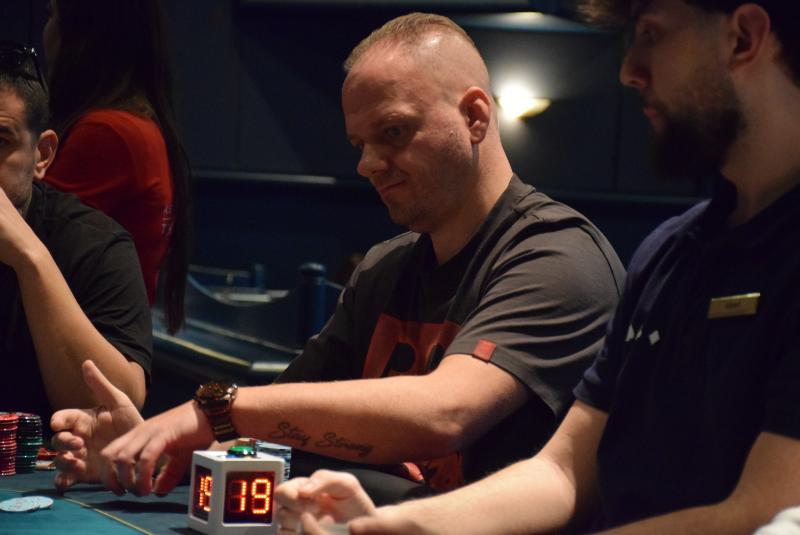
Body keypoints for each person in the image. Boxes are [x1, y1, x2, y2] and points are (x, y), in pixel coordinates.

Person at [274, 0, 800, 533]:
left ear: (743, 37)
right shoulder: (668, 253)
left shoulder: (566, 254)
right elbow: (561, 473)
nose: (629, 70)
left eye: (651, 34)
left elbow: (765, 515)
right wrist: (401, 525)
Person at [50, 13, 624, 502]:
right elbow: (271, 434)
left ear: (474, 117)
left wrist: (216, 410)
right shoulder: (385, 268)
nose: (367, 164)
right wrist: (148, 445)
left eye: (393, 132)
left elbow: (445, 413)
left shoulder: (559, 258)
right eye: (359, 144)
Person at [0, 42, 151, 424]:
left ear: (43, 154)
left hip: (48, 460)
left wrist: (30, 258)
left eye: (0, 141)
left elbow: (119, 408)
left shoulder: (95, 244)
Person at [42, 0, 190, 333]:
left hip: (87, 349)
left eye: (51, 15)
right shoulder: (137, 126)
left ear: (83, 33)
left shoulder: (109, 133)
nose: (45, 31)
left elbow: (28, 250)